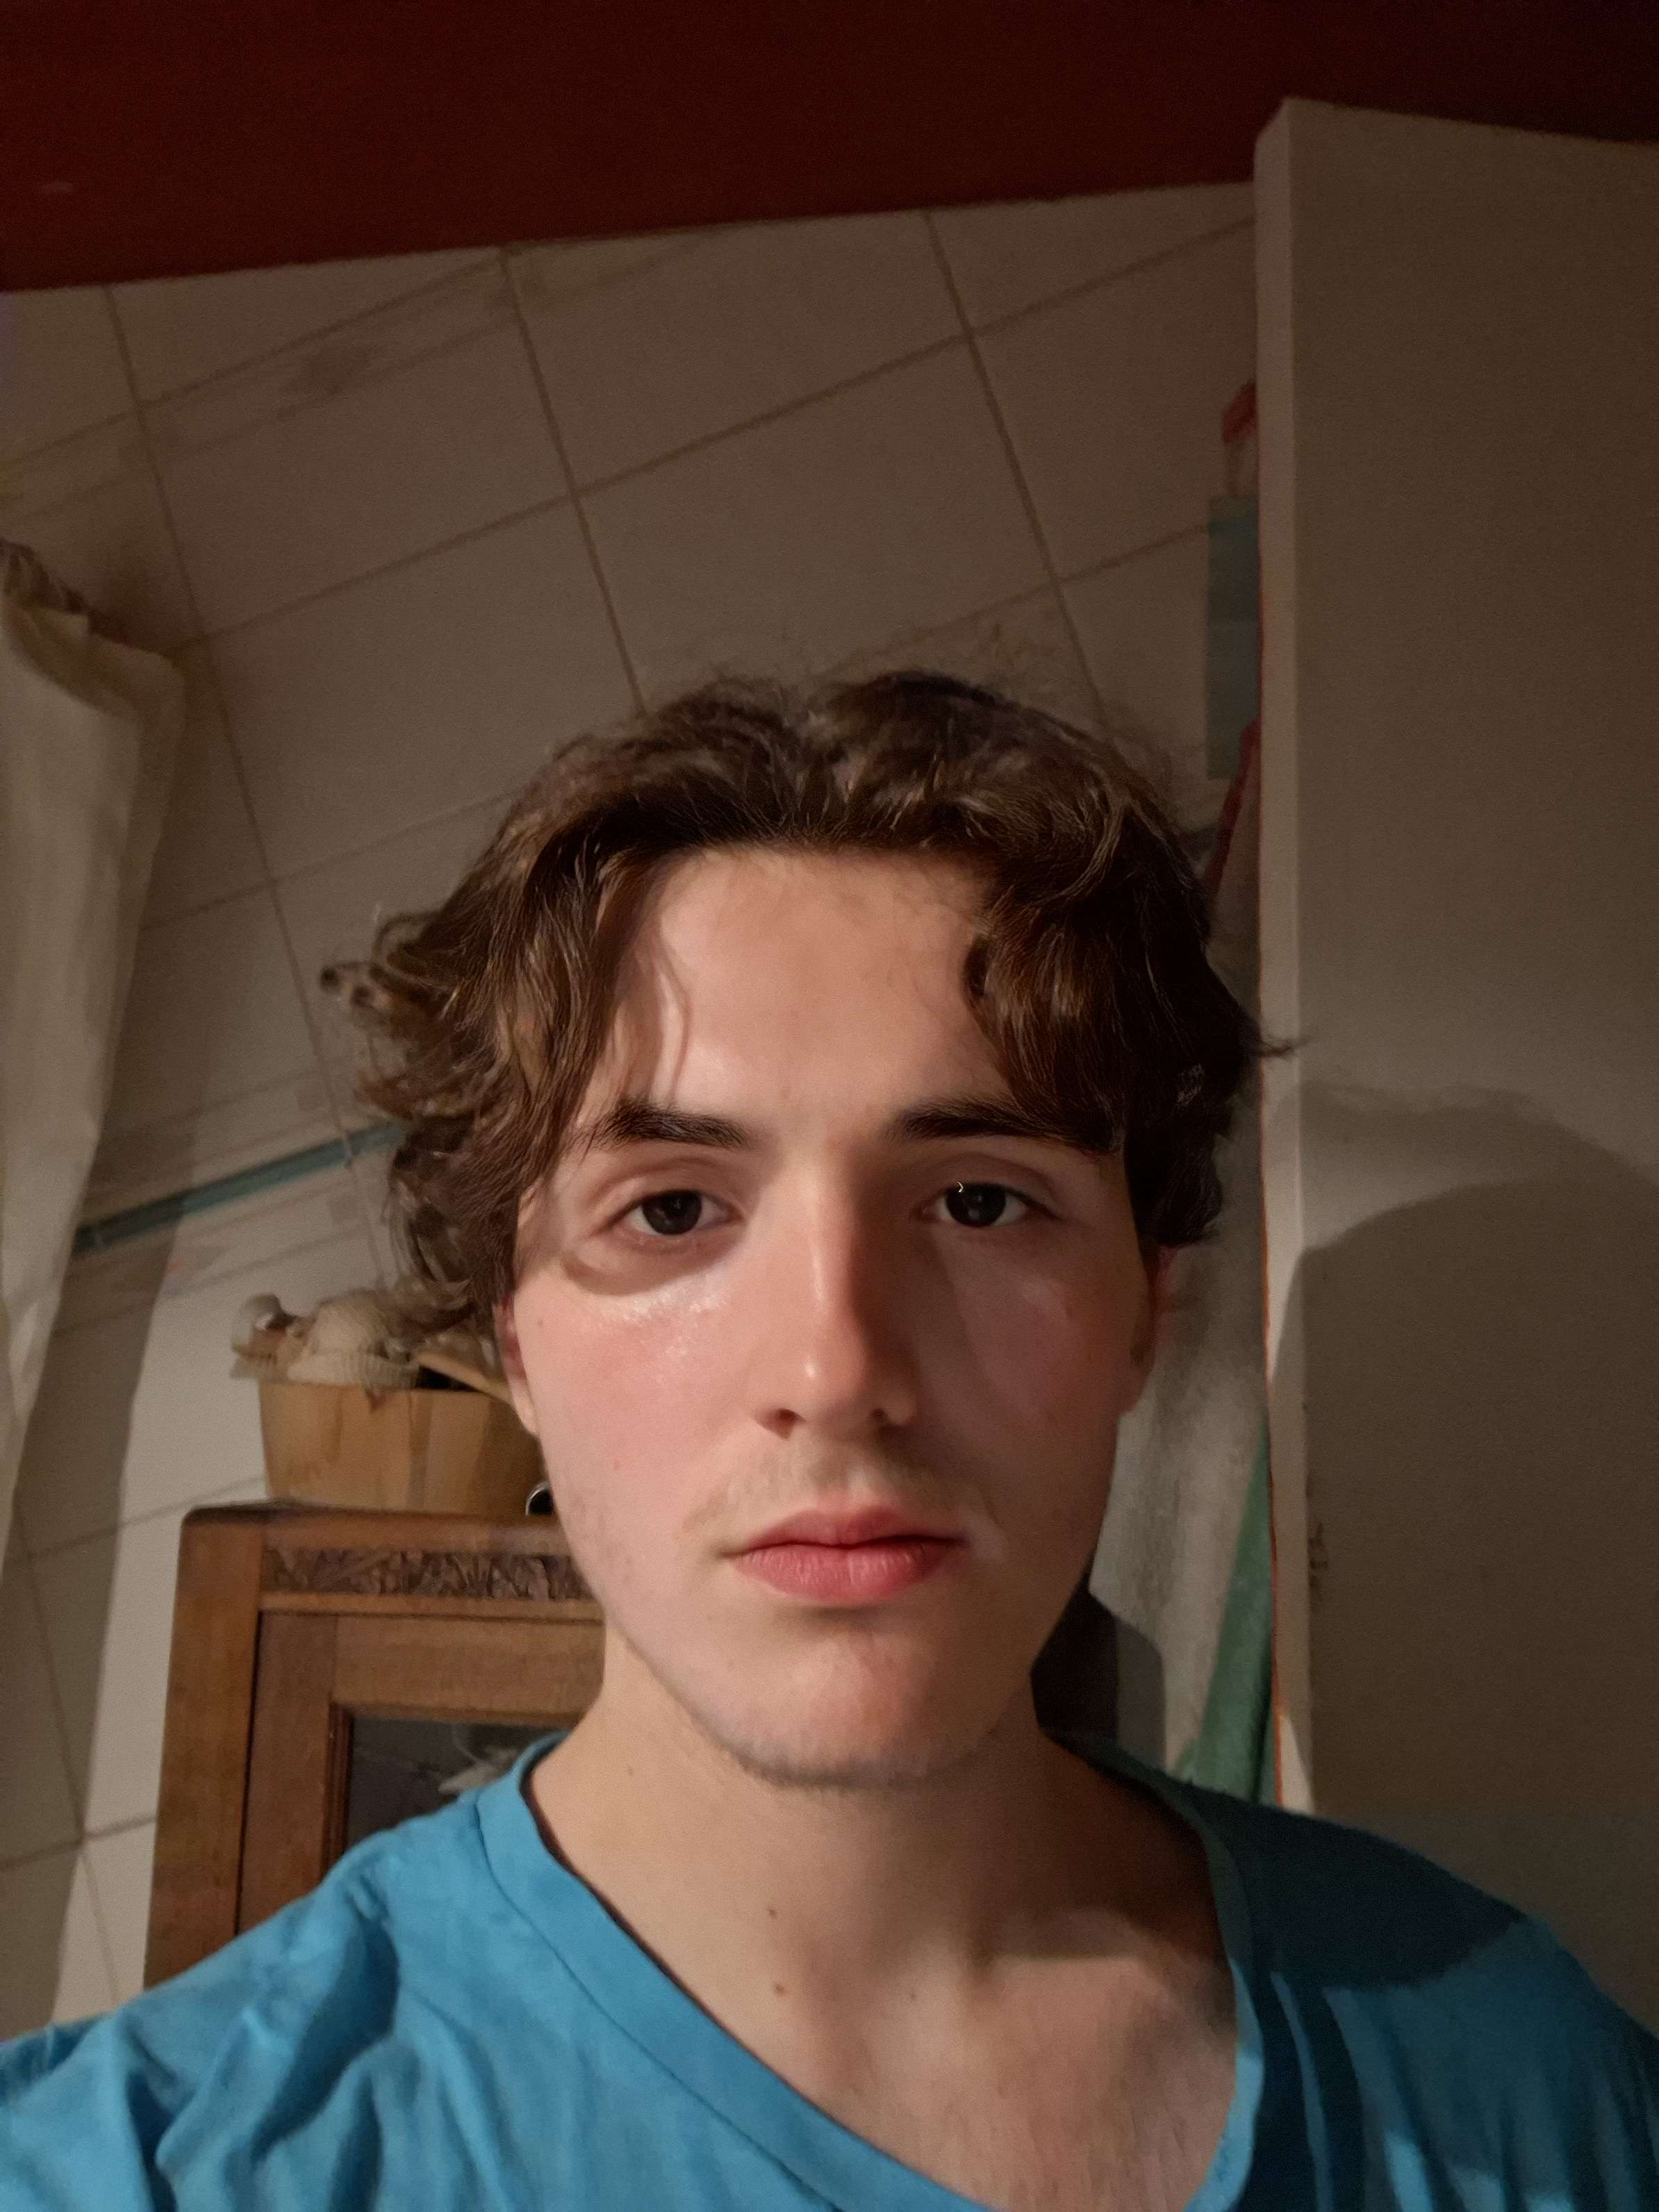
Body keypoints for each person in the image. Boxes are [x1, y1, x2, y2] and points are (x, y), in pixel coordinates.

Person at [2, 673, 1655, 2209]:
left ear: (1145, 1309)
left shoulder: (1525, 2084)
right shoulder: (140, 2165)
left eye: (981, 1199)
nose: (838, 1366)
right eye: (670, 1209)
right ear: (511, 1340)